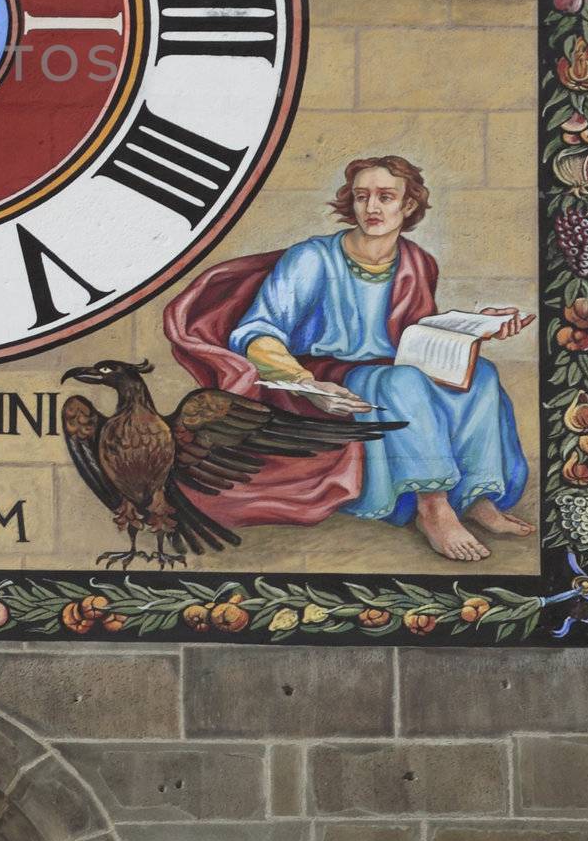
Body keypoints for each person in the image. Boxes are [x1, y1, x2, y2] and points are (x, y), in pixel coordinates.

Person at [164, 155, 533, 562]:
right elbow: (256, 333)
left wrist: (477, 325)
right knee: (401, 383)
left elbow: (415, 331)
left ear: (408, 206)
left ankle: (476, 497)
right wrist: (306, 383)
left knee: (480, 374)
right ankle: (433, 506)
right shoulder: (312, 259)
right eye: (362, 197)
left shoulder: (418, 261)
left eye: (385, 197)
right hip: (320, 375)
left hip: (392, 366)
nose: (372, 208)